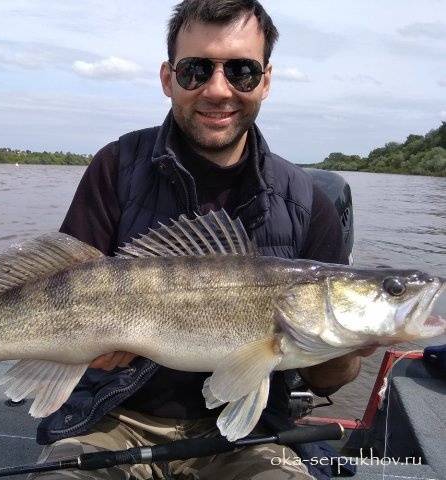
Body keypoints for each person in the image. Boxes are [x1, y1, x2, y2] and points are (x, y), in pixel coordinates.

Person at [31, 1, 373, 478]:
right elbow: (55, 287)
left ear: (265, 81)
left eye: (241, 71)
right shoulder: (116, 167)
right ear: (168, 78)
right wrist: (88, 345)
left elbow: (324, 378)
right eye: (195, 70)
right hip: (114, 417)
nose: (218, 89)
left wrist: (349, 348)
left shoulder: (307, 202)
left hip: (252, 435)